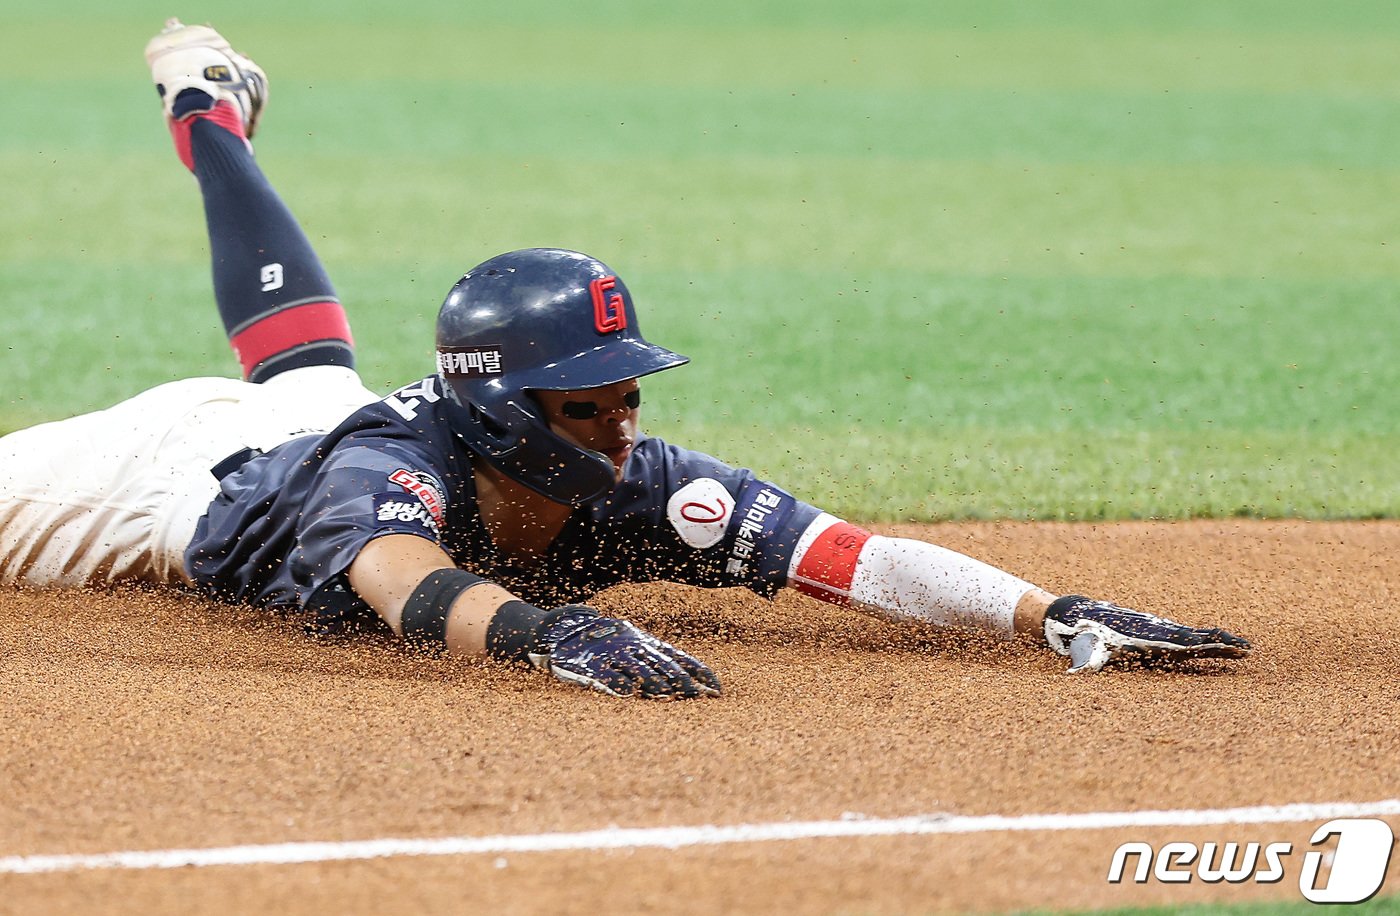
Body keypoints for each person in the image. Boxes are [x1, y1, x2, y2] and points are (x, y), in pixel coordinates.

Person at [0, 20, 1251, 699]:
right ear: (496, 406)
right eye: (586, 401)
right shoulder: (386, 474)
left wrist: (1048, 613)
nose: (617, 425)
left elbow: (850, 560)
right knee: (303, 379)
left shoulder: (635, 477)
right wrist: (545, 634)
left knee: (304, 363)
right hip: (153, 484)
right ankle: (207, 112)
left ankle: (210, 108)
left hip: (300, 426)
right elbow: (400, 581)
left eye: (626, 394)